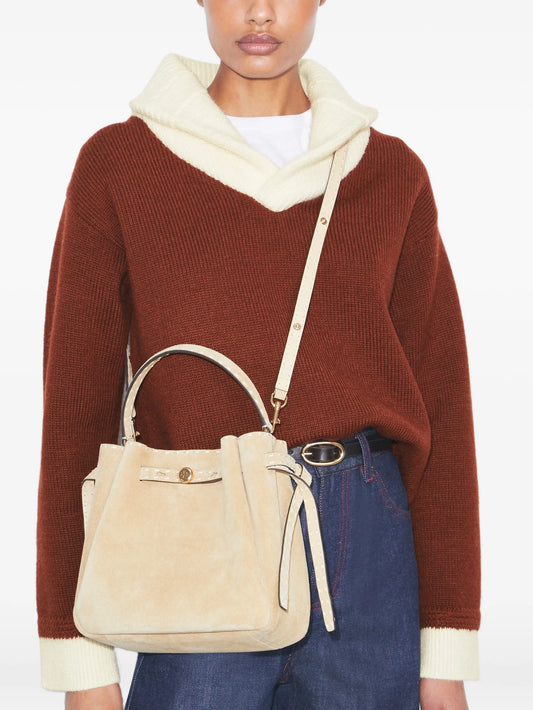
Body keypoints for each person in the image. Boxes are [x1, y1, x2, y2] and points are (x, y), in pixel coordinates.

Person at [36, 1, 481, 709]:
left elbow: (443, 410)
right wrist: (79, 659)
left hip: (368, 543)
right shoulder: (120, 163)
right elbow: (74, 413)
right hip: (197, 539)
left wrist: (447, 642)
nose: (260, 11)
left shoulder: (389, 172)